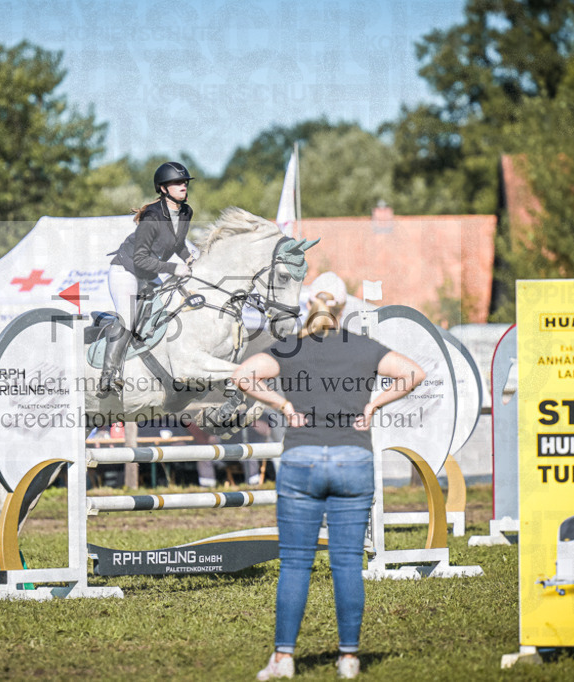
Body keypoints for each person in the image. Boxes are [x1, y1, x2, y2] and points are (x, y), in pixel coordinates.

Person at [231, 272, 425, 680]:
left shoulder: (289, 349)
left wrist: (283, 404)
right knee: (348, 562)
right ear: (342, 308)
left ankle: (283, 659)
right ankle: (349, 658)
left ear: (308, 306)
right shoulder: (364, 348)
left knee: (297, 564)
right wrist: (373, 406)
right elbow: (413, 373)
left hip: (301, 460)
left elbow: (242, 376)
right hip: (353, 460)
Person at [97, 161, 196, 397]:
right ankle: (108, 377)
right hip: (127, 270)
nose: (183, 185)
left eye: (184, 182)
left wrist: (191, 257)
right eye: (177, 183)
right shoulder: (152, 218)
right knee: (128, 320)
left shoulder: (185, 212)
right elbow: (140, 259)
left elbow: (177, 243)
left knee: (168, 312)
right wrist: (174, 268)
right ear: (163, 188)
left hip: (149, 274)